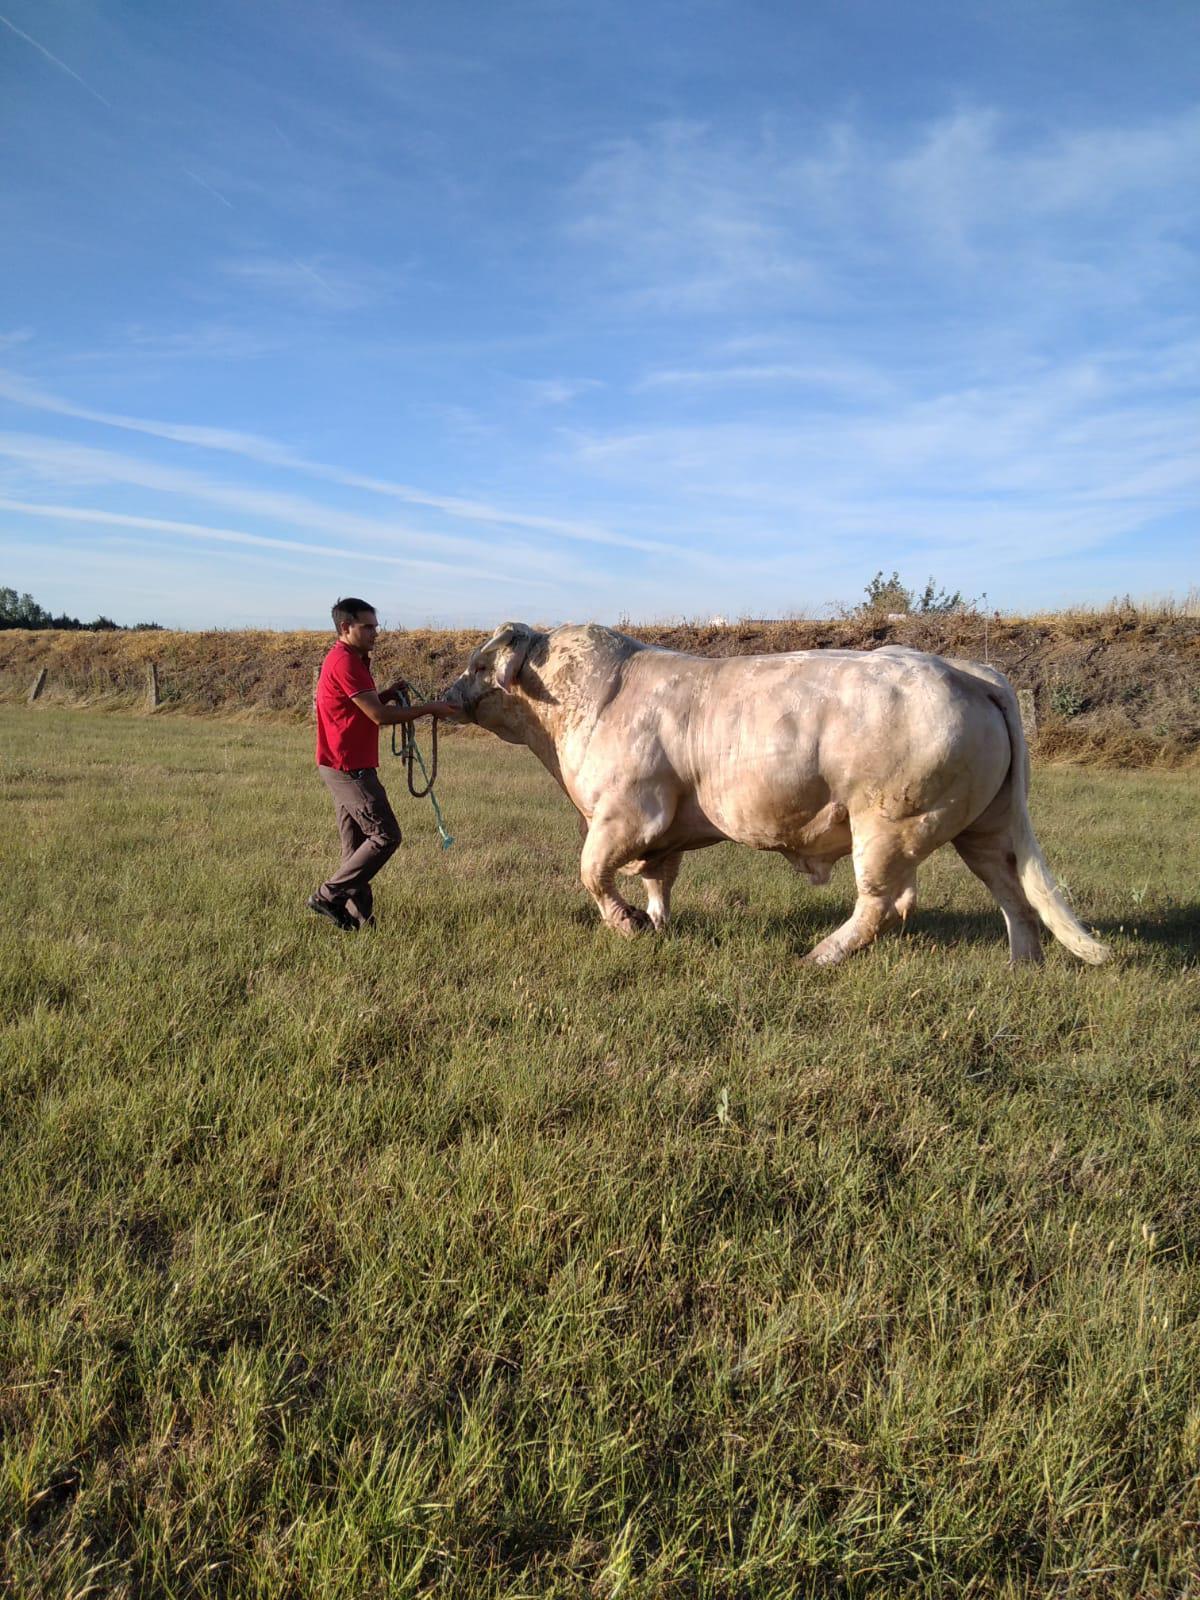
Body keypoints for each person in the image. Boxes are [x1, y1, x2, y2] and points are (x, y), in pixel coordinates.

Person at [308, 597, 456, 931]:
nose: (376, 632)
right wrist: (429, 708)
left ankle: (361, 922)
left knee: (356, 847)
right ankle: (328, 895)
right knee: (385, 836)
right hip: (350, 768)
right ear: (346, 627)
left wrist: (387, 693)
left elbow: (365, 706)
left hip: (339, 763)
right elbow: (378, 716)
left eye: (376, 625)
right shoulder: (344, 661)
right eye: (368, 626)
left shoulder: (352, 659)